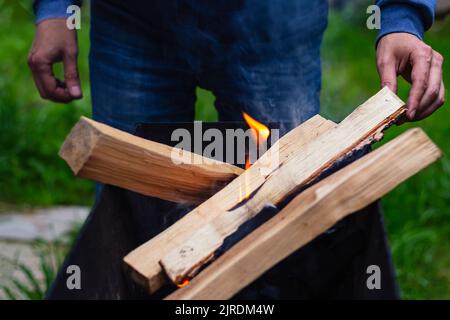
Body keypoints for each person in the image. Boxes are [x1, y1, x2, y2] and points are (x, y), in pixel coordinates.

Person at [29, 1, 445, 299]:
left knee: (289, 227)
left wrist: (401, 17)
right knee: (129, 212)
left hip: (276, 22)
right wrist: (54, 8)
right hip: (133, 20)